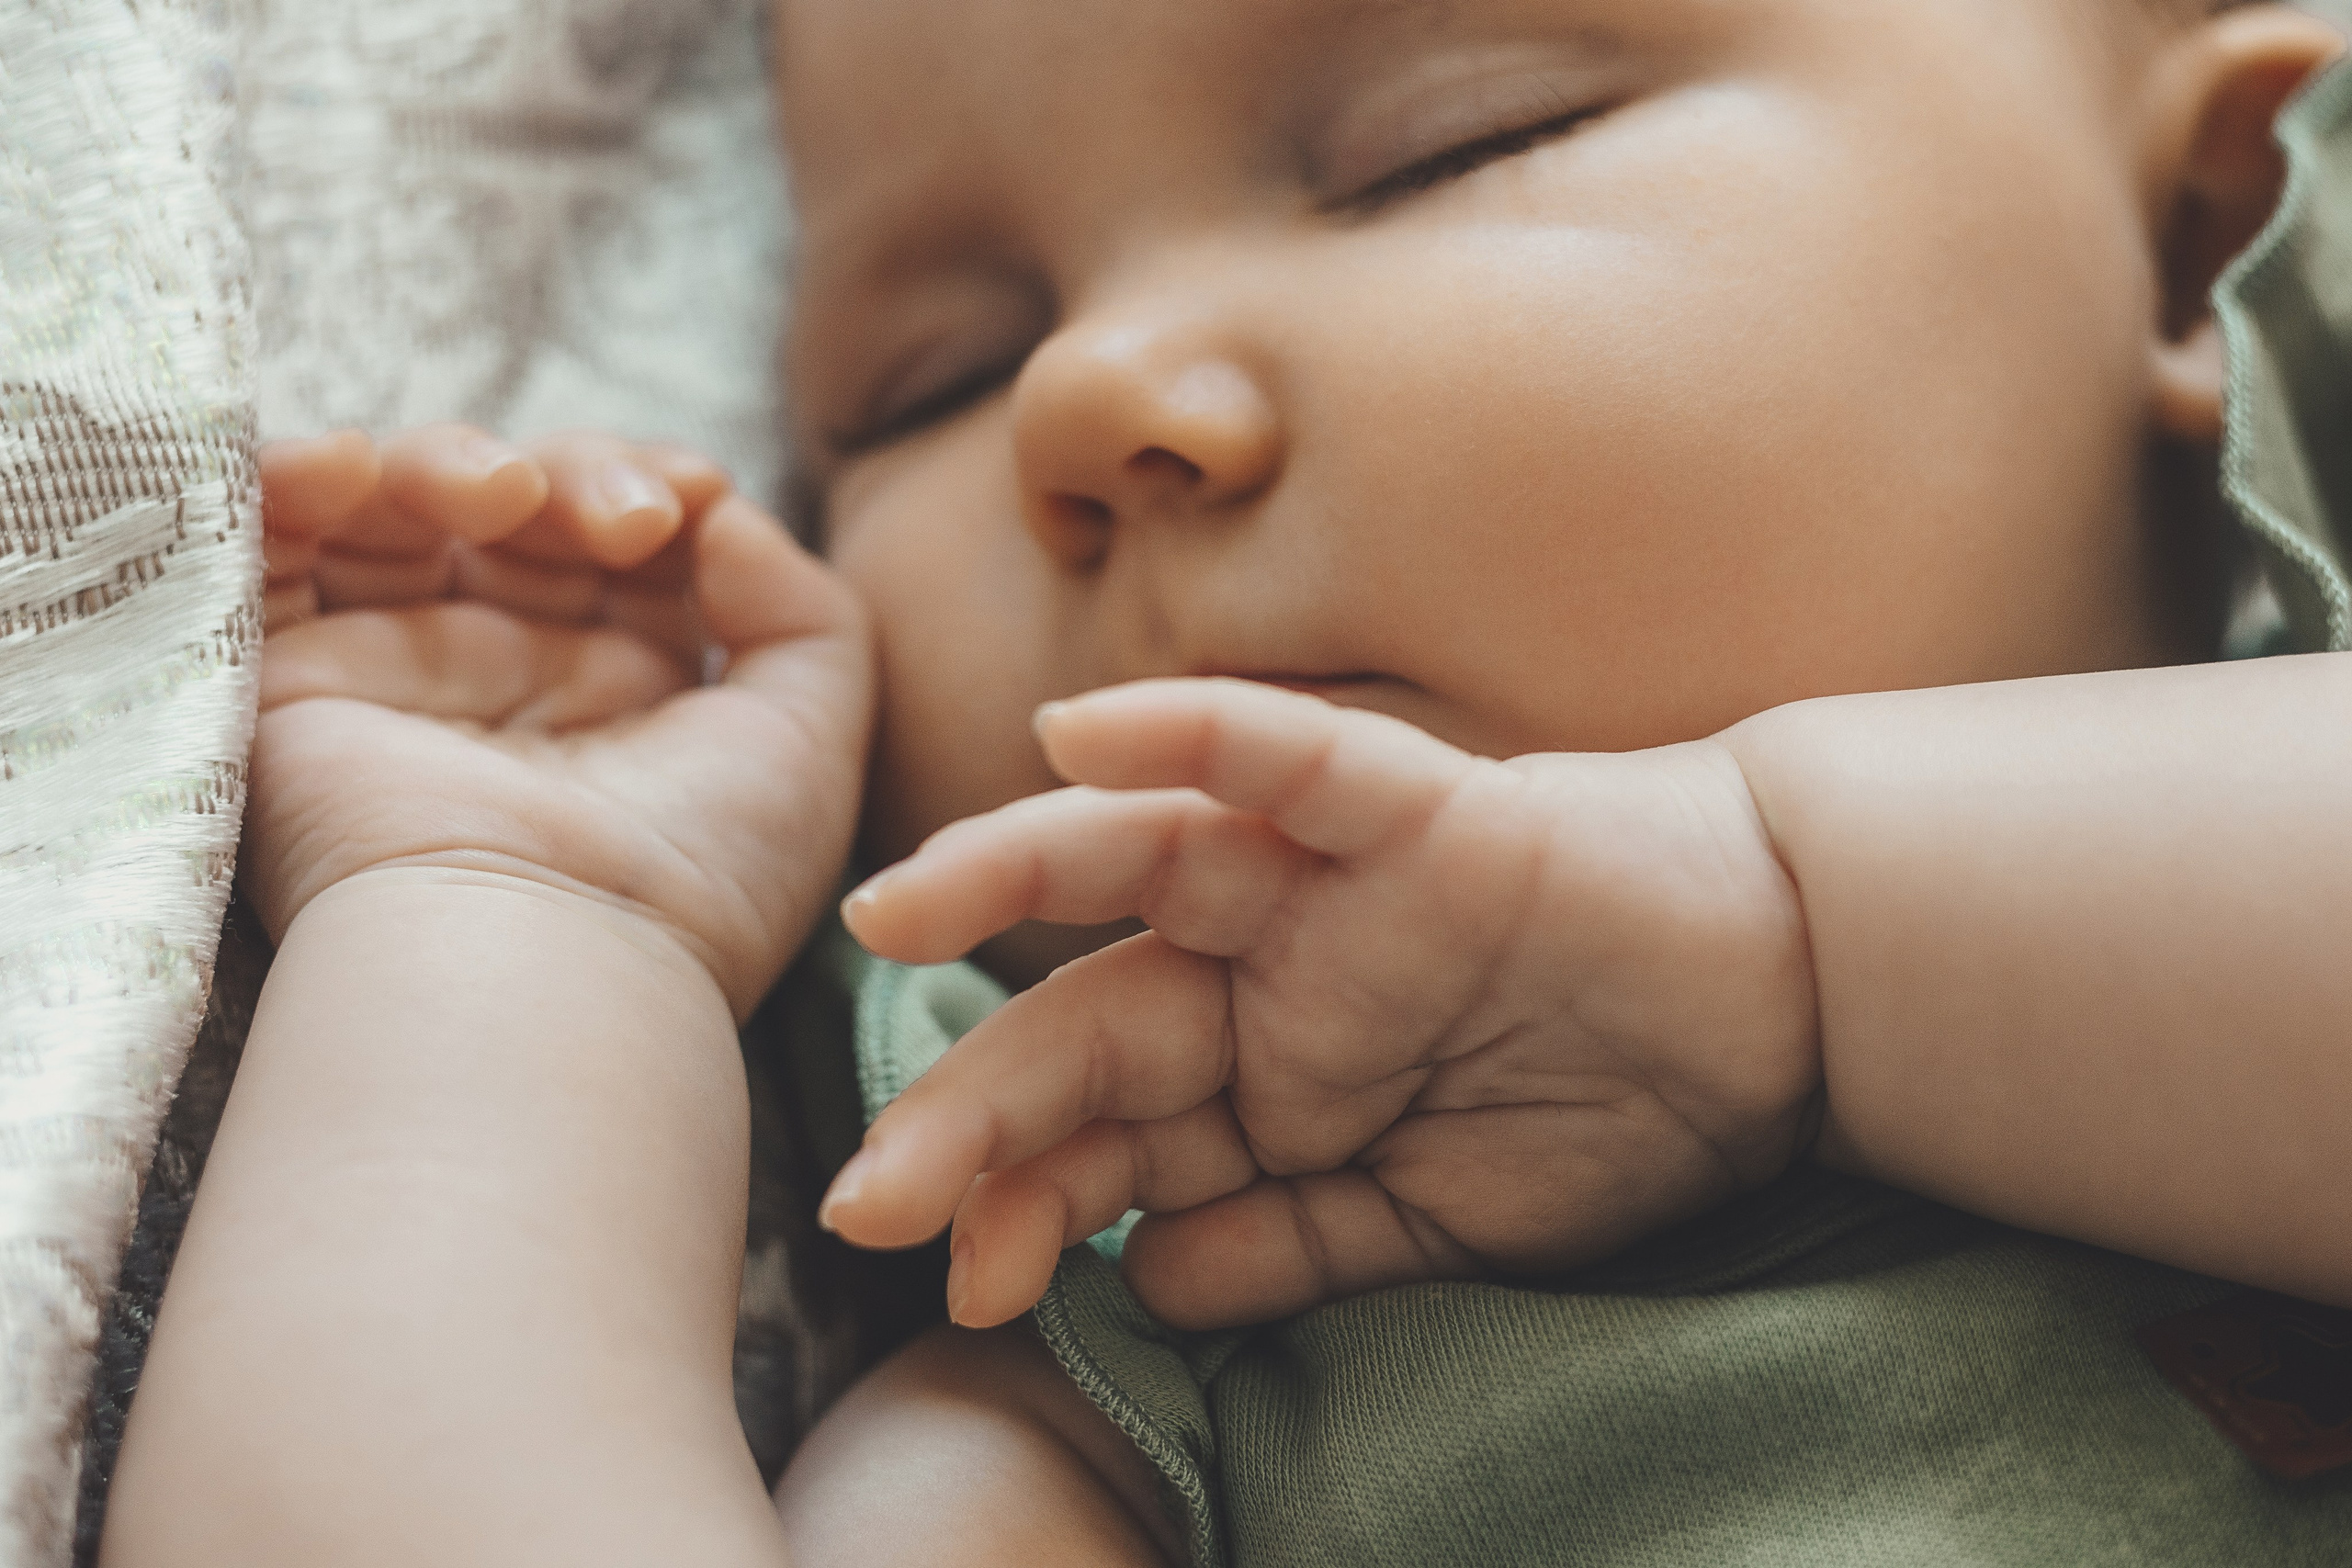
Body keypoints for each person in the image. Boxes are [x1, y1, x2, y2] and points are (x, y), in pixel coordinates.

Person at [100, 0, 2352, 1563]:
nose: (1088, 396)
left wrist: (1788, 936)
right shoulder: (1131, 1326)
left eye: (1450, 145)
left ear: (2190, 221)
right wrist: (516, 936)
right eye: (932, 377)